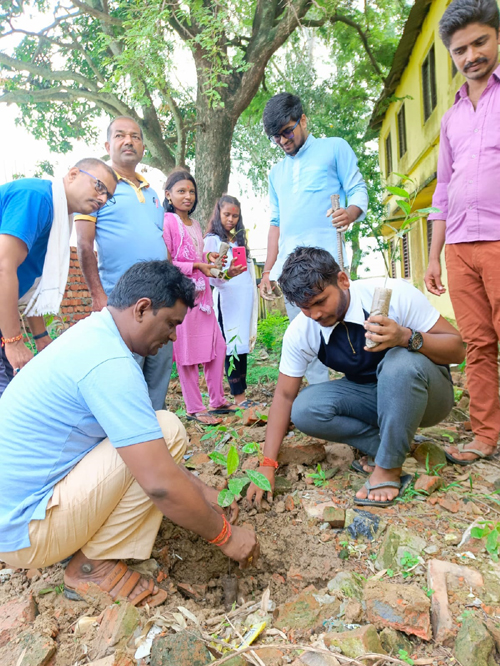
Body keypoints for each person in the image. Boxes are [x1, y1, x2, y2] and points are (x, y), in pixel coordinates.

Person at [0, 261, 259, 607]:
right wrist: (226, 537)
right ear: (141, 309)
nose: (172, 337)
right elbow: (159, 482)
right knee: (167, 430)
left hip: (15, 519)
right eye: (170, 323)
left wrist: (204, 492)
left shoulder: (92, 335)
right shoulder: (111, 365)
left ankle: (81, 541)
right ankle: (91, 566)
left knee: (154, 433)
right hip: (25, 532)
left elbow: (137, 451)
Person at [246, 247, 465, 508]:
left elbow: (457, 348)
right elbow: (284, 396)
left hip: (428, 397)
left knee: (400, 363)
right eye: (305, 308)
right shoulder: (303, 330)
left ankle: (388, 466)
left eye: (319, 301)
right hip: (373, 398)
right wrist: (267, 464)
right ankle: (389, 445)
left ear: (342, 280)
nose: (315, 314)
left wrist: (406, 337)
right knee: (304, 409)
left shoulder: (394, 295)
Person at [424, 0, 500, 465]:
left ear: (496, 36)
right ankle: (486, 433)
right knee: (476, 343)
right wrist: (433, 256)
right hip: (460, 247)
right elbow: (443, 190)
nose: (471, 55)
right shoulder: (451, 118)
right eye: (460, 49)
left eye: (479, 42)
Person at [259, 93, 369, 385]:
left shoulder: (334, 148)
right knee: (307, 330)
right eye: (275, 137)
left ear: (303, 120)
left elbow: (358, 189)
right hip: (290, 269)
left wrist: (351, 212)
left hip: (328, 264)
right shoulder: (276, 173)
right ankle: (322, 394)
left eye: (286, 131)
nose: (282, 141)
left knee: (348, 328)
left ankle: (362, 386)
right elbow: (276, 223)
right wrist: (269, 270)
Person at [75, 116, 173, 410]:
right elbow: (83, 244)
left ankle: (155, 433)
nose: (128, 141)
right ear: (108, 145)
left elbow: (159, 243)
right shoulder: (97, 188)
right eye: (120, 135)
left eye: (135, 136)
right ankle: (121, 444)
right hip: (122, 302)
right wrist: (97, 295)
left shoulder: (154, 194)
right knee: (125, 376)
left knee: (159, 373)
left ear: (143, 146)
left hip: (161, 300)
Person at [0, 158, 117, 398]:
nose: (103, 199)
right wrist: (13, 341)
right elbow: (3, 267)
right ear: (73, 174)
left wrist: (41, 337)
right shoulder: (36, 197)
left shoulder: (58, 219)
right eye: (99, 187)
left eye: (109, 197)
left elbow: (35, 286)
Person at [162, 171, 239, 425]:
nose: (187, 196)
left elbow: (195, 255)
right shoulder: (168, 221)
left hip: (203, 296)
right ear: (168, 195)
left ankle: (217, 401)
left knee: (217, 347)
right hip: (182, 296)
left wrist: (208, 260)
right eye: (181, 191)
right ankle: (194, 408)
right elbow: (169, 262)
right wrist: (197, 265)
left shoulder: (194, 225)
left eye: (191, 191)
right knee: (186, 354)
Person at [204, 195, 259, 407]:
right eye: (227, 214)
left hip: (243, 301)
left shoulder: (236, 239)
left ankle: (241, 396)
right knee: (233, 346)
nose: (231, 219)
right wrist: (229, 274)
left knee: (241, 346)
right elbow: (212, 275)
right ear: (218, 213)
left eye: (235, 216)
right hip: (227, 302)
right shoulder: (213, 239)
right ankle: (238, 398)